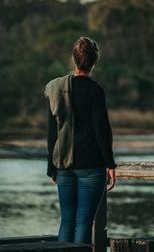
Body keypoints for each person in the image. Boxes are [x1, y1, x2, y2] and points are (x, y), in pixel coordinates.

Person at [44, 36, 117, 245]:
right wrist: (110, 164)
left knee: (67, 222)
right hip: (91, 166)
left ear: (74, 60)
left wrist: (51, 166)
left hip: (63, 165)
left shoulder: (57, 89)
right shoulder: (96, 91)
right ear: (95, 62)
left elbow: (52, 132)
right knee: (84, 222)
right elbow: (102, 131)